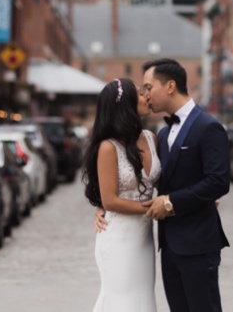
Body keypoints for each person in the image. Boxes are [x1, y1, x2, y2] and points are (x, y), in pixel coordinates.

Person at [97, 59, 232, 311]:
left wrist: (172, 203)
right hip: (167, 245)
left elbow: (218, 181)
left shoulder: (208, 127)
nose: (146, 95)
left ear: (170, 86)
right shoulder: (160, 135)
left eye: (149, 87)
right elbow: (145, 181)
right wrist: (103, 205)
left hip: (197, 242)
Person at [84, 78, 162, 311]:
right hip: (118, 238)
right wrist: (155, 207)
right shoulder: (108, 147)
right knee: (121, 301)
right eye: (139, 94)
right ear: (126, 104)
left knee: (142, 299)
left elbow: (167, 183)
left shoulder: (151, 138)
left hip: (144, 238)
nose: (146, 96)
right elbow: (110, 200)